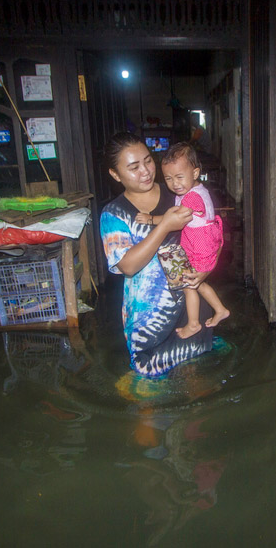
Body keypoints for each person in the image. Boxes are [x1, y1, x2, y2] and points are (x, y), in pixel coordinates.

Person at [100, 132, 216, 377]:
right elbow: (128, 266)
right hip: (150, 319)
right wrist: (164, 225)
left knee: (199, 383)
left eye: (148, 161)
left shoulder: (178, 192)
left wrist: (207, 268)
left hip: (191, 308)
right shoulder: (114, 214)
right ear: (115, 174)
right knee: (149, 390)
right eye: (133, 167)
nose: (145, 171)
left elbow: (210, 232)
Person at [135, 143, 229, 339]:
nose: (174, 184)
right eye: (168, 178)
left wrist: (151, 219)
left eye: (179, 177)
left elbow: (175, 221)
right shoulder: (192, 190)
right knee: (198, 284)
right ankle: (220, 310)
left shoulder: (192, 198)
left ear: (195, 173)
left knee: (189, 286)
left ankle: (193, 323)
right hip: (201, 242)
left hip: (202, 246)